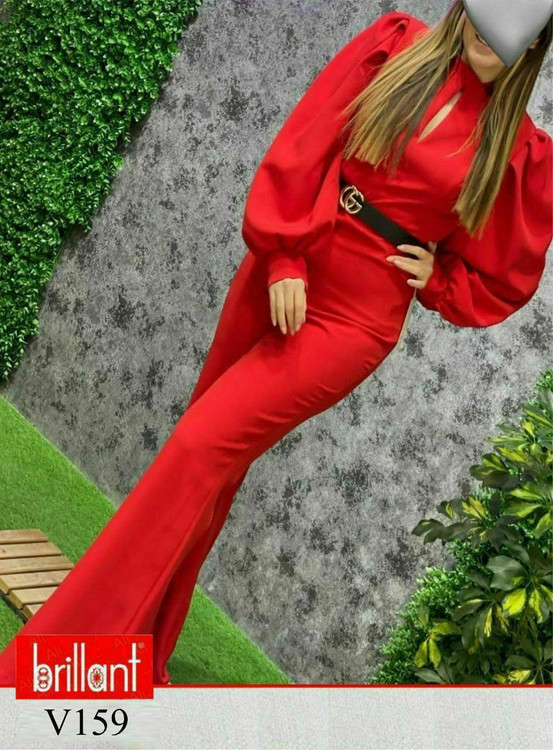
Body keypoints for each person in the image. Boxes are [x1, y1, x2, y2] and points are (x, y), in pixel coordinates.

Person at [0, 2, 551, 687]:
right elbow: (309, 140)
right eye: (479, 12)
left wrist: (440, 280)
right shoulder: (394, 45)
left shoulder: (518, 150)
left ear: (535, 43)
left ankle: (65, 663)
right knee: (209, 467)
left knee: (200, 447)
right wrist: (284, 255)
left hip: (353, 319)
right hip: (285, 263)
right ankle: (138, 645)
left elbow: (506, 276)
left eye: (507, 27)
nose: (484, 33)